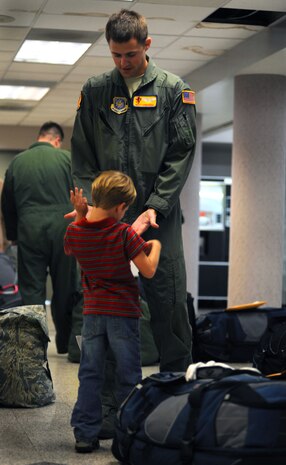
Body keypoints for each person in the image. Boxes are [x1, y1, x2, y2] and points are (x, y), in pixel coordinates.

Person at [70, 8, 196, 436]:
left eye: (130, 54)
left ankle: (173, 406)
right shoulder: (96, 89)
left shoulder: (173, 90)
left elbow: (181, 153)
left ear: (147, 44)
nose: (123, 63)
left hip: (159, 218)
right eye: (115, 55)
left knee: (168, 302)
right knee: (105, 312)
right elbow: (83, 155)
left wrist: (156, 206)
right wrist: (93, 206)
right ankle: (108, 412)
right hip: (108, 218)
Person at [64, 170, 161, 453]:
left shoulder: (74, 231)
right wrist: (155, 245)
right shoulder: (124, 233)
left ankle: (84, 434)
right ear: (121, 207)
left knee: (90, 374)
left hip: (92, 313)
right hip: (123, 314)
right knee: (128, 375)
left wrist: (82, 216)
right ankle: (128, 432)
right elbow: (149, 270)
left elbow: (75, 243)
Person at [1, 121, 77, 353]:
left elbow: (8, 204)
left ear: (40, 136)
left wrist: (14, 235)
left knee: (31, 289)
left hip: (29, 229)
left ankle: (33, 348)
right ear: (57, 140)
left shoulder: (17, 162)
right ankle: (64, 343)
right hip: (63, 229)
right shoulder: (67, 159)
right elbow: (79, 195)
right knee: (65, 287)